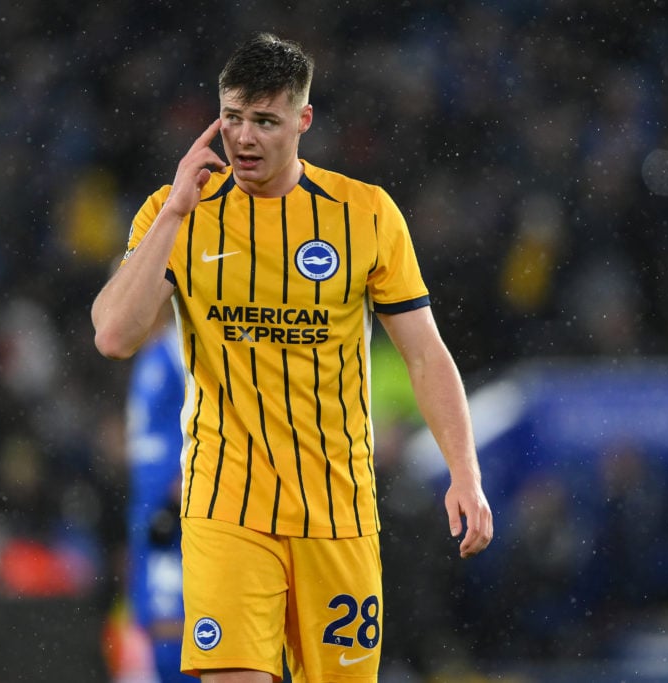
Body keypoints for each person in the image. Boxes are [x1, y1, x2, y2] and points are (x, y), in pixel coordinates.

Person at [92, 32, 492, 683]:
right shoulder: (181, 214)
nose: (244, 138)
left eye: (265, 122)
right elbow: (114, 333)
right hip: (226, 506)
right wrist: (172, 213)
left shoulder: (364, 216)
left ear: (302, 121)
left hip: (338, 514)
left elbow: (425, 355)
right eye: (232, 118)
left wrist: (465, 473)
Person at [125, 302, 195, 682]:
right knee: (155, 632)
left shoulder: (183, 348)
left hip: (178, 510)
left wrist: (180, 488)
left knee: (181, 641)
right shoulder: (153, 353)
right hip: (150, 509)